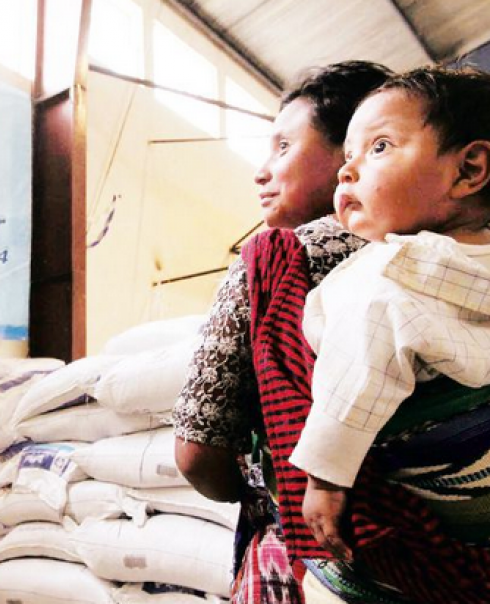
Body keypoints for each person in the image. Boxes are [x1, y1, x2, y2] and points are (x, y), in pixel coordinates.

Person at [171, 60, 392, 603]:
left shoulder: (273, 261)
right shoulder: (456, 258)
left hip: (317, 565)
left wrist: (259, 493)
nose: (261, 170)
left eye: (283, 147)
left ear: (350, 157)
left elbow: (196, 455)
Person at [290, 66, 490, 560]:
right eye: (348, 155)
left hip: (438, 488)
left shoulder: (385, 273)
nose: (347, 170)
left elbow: (355, 372)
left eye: (379, 147)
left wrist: (325, 476)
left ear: (469, 170)